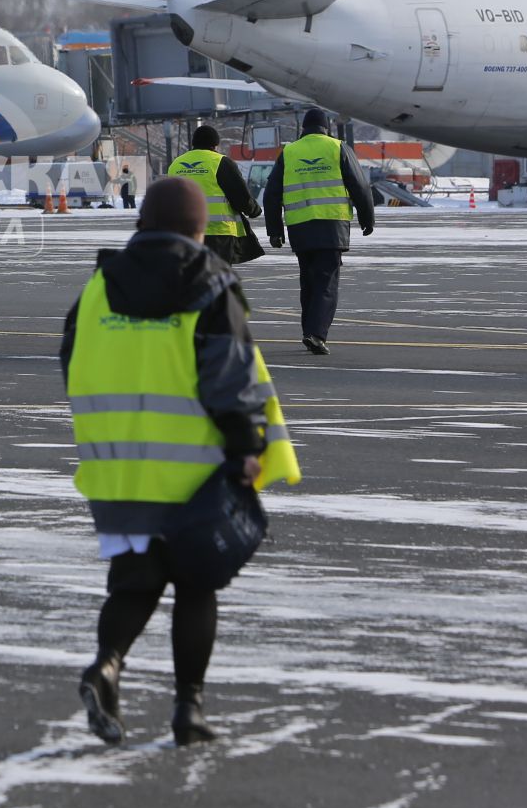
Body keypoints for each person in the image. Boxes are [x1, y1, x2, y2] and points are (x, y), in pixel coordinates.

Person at [59, 176, 298, 746]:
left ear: (142, 221)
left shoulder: (98, 285)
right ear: (198, 228)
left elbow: (72, 361)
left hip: (117, 467)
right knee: (195, 586)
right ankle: (188, 710)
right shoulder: (211, 283)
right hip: (193, 467)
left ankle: (107, 665)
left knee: (135, 582)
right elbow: (232, 376)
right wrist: (246, 450)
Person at [263, 109, 376, 355]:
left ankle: (308, 332)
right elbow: (360, 186)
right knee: (326, 282)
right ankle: (316, 334)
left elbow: (271, 193)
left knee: (309, 281)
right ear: (327, 128)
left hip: (299, 228)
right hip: (331, 227)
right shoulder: (338, 148)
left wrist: (274, 230)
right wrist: (367, 219)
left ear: (303, 128)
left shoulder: (290, 152)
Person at [167, 126, 260, 264]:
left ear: (194, 143)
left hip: (185, 233)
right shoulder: (220, 162)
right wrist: (254, 210)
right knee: (217, 279)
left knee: (191, 278)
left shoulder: (176, 164)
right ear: (215, 144)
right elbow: (240, 197)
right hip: (218, 233)